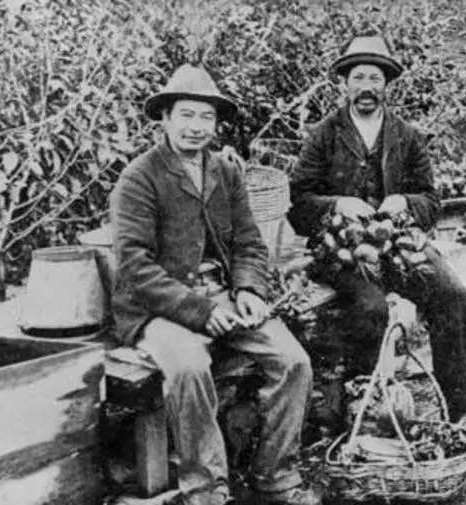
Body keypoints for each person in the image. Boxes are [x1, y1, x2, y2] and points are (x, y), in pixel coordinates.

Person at [110, 64, 320, 505]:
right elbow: (134, 267)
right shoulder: (139, 178)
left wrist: (247, 290)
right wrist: (203, 312)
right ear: (165, 119)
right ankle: (206, 491)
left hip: (223, 296)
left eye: (205, 118)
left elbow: (249, 243)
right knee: (189, 367)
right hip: (158, 308)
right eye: (185, 115)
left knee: (293, 361)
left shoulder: (225, 172)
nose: (195, 127)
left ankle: (273, 475)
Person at [288, 36, 466, 424]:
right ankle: (365, 410)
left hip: (399, 247)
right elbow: (299, 202)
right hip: (343, 253)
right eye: (358, 76)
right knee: (369, 308)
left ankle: (460, 409)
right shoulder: (324, 135)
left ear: (387, 84)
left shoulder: (406, 136)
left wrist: (405, 202)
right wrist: (337, 205)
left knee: (452, 295)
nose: (367, 86)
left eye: (375, 77)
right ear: (344, 83)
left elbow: (431, 200)